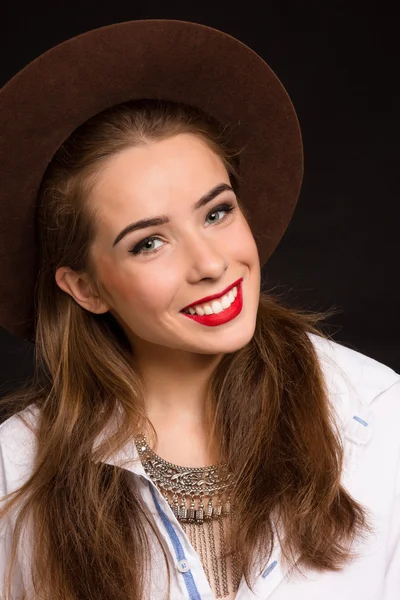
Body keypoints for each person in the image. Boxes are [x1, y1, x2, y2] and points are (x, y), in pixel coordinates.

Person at [0, 19, 399, 600]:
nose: (210, 263)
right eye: (148, 242)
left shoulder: (375, 417)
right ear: (86, 288)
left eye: (216, 212)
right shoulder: (14, 476)